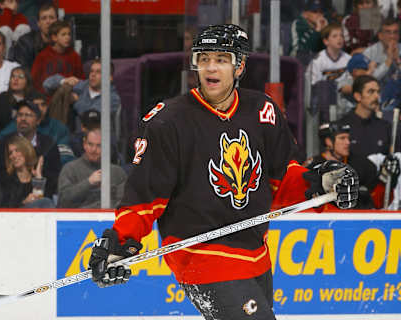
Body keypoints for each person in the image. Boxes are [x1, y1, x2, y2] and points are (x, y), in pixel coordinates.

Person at [87, 24, 359, 320]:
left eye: (220, 58)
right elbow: (143, 194)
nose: (210, 67)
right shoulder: (169, 121)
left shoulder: (262, 110)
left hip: (255, 254)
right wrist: (121, 241)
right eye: (203, 59)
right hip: (200, 256)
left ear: (239, 65)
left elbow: (281, 182)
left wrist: (321, 185)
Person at [305, 122, 399, 208]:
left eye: (348, 138)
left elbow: (377, 203)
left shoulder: (362, 164)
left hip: (358, 222)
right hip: (324, 223)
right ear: (328, 141)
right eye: (342, 138)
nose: (348, 142)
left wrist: (385, 179)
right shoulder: (312, 167)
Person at [0, 99, 61, 199]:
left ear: (38, 121)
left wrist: (36, 193)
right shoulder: (3, 143)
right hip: (10, 200)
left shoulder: (49, 145)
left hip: (40, 199)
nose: (23, 119)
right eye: (20, 115)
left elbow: (54, 179)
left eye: (28, 115)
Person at [43, 58, 121, 137]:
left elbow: (92, 116)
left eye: (98, 72)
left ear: (109, 78)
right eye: (91, 71)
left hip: (100, 141)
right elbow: (47, 84)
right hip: (74, 136)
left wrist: (75, 100)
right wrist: (64, 81)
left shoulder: (113, 98)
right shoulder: (83, 85)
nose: (93, 75)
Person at [0, 91, 75, 165]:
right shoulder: (14, 128)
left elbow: (66, 158)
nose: (40, 109)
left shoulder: (58, 128)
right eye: (36, 105)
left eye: (43, 105)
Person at [57, 126, 126, 208]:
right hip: (78, 219)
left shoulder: (117, 172)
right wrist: (89, 182)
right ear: (84, 144)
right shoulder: (70, 169)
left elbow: (124, 203)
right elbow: (63, 201)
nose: (93, 149)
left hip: (111, 218)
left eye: (99, 146)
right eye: (90, 144)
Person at [306, 23, 351, 122]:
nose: (339, 39)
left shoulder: (348, 59)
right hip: (324, 104)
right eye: (335, 36)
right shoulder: (318, 61)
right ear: (326, 41)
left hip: (344, 103)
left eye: (341, 35)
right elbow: (314, 85)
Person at [338, 75, 392, 158]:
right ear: (358, 96)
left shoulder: (386, 127)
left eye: (378, 92)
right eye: (371, 92)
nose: (376, 96)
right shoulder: (342, 126)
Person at [0, 134, 55, 208]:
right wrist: (24, 202)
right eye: (10, 153)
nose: (14, 155)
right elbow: (5, 207)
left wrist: (38, 177)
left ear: (26, 150)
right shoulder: (5, 179)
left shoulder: (38, 177)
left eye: (17, 150)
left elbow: (46, 202)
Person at [31, 20, 85, 93]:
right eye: (63, 34)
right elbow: (35, 81)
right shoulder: (43, 56)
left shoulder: (74, 55)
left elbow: (81, 79)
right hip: (47, 98)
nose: (67, 37)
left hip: (69, 96)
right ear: (54, 38)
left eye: (69, 34)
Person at [0, 66, 33, 141]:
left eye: (20, 77)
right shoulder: (0, 100)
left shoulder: (33, 100)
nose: (15, 79)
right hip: (4, 140)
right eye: (13, 76)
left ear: (27, 81)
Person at [10, 3, 58, 68]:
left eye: (51, 18)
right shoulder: (25, 42)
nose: (48, 21)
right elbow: (22, 71)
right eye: (44, 18)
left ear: (57, 21)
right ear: (38, 23)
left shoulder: (64, 42)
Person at [362, 17, 401, 86]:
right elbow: (367, 81)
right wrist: (388, 61)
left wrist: (398, 61)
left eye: (395, 32)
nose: (392, 36)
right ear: (380, 36)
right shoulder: (369, 53)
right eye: (388, 32)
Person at [290, 0, 329, 65]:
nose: (319, 14)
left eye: (321, 12)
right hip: (298, 63)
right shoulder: (299, 24)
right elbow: (306, 49)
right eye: (315, 12)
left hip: (318, 64)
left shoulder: (325, 24)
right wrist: (318, 30)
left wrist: (326, 31)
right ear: (305, 14)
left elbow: (327, 49)